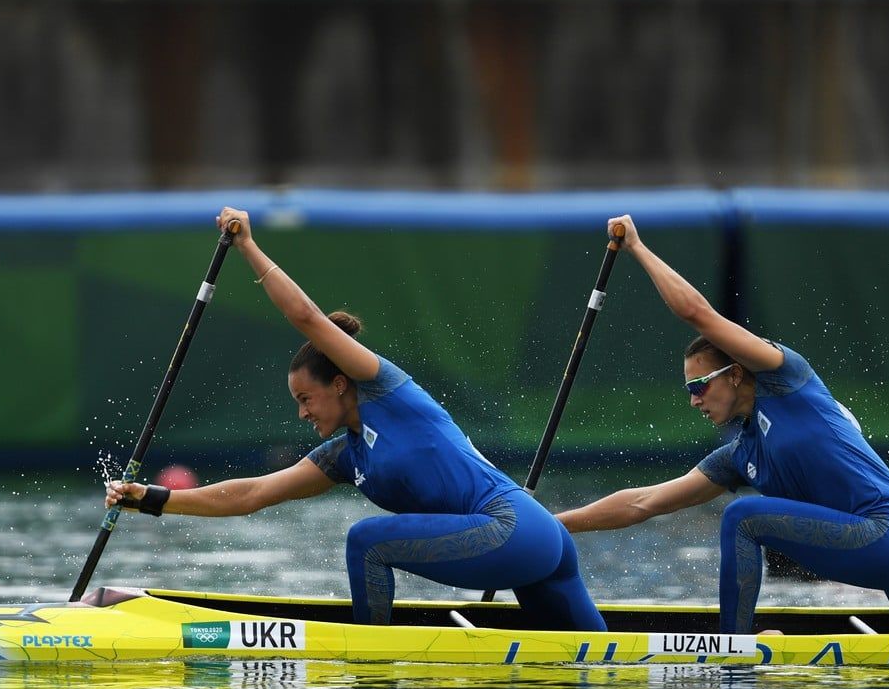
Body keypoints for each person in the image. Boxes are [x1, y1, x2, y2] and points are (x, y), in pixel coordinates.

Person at [106, 206, 607, 633]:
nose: (302, 412)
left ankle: (371, 662)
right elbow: (253, 493)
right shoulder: (344, 454)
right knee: (593, 670)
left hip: (514, 529)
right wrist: (153, 500)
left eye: (307, 398)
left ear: (340, 383)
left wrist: (248, 247)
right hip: (542, 544)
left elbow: (307, 319)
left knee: (366, 540)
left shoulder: (388, 391)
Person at [556, 215, 889, 637]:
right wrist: (554, 524)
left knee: (743, 516)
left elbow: (697, 313)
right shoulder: (740, 454)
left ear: (736, 373)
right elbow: (643, 503)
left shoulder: (786, 379)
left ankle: (733, 650)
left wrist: (635, 246)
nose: (693, 400)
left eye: (700, 386)